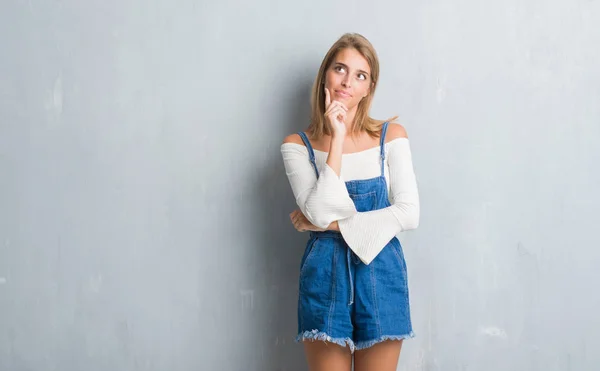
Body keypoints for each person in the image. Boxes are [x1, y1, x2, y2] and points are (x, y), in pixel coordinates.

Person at [280, 33, 420, 371]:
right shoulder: (297, 145)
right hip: (324, 276)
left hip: (382, 271)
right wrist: (337, 137)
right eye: (340, 69)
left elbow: (409, 214)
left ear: (370, 87)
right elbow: (319, 209)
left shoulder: (392, 135)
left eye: (361, 75)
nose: (347, 82)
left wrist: (324, 225)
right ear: (325, 74)